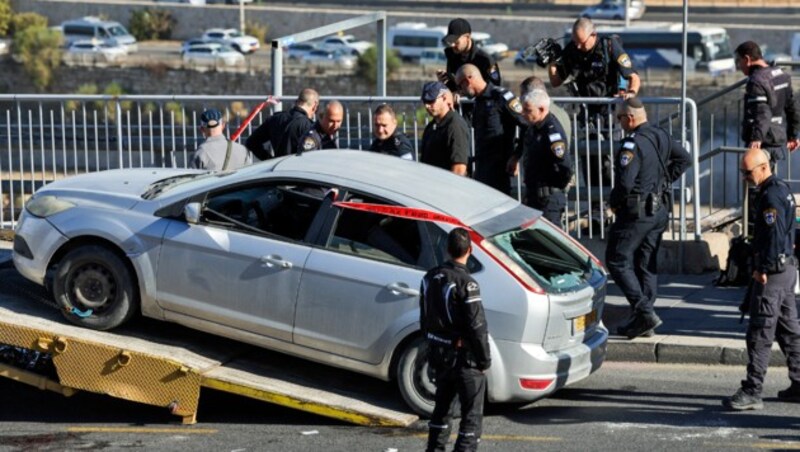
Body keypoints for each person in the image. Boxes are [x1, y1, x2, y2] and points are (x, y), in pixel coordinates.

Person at [722, 148, 800, 411]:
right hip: (786, 270)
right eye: (742, 172)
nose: (745, 177)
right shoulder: (781, 189)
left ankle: (752, 390)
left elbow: (774, 236)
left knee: (760, 332)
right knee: (789, 330)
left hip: (773, 273)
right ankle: (799, 382)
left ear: (764, 167)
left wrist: (763, 268)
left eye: (748, 172)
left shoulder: (770, 197)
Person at [606, 98, 691, 339]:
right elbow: (684, 158)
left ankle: (644, 312)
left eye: (619, 118)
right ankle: (643, 319)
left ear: (629, 118)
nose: (619, 123)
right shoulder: (659, 134)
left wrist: (613, 202)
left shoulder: (631, 144)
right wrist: (663, 183)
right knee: (645, 263)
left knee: (617, 260)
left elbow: (624, 183)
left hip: (638, 212)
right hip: (659, 209)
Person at [420, 227, 490, 452]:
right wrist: (484, 360)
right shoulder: (467, 283)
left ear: (446, 250)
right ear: (470, 250)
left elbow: (424, 318)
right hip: (464, 360)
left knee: (441, 409)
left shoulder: (429, 278)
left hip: (439, 356)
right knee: (471, 416)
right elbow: (477, 326)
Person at [548, 17, 640, 128]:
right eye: (575, 41)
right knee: (586, 144)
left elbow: (634, 76)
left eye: (582, 42)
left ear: (593, 35)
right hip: (585, 111)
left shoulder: (609, 46)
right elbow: (556, 82)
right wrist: (552, 62)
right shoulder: (572, 49)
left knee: (611, 144)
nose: (578, 46)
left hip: (610, 110)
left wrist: (631, 92)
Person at [506, 89, 572, 226]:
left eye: (528, 110)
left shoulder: (552, 132)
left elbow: (564, 168)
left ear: (541, 109)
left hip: (548, 201)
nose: (523, 114)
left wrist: (552, 189)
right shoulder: (533, 127)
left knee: (551, 243)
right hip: (533, 197)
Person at [455, 64, 524, 194]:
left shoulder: (501, 97)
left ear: (468, 80)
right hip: (483, 167)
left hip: (499, 169)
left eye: (460, 86)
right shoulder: (478, 102)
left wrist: (515, 156)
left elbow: (526, 125)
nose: (461, 91)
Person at [735, 41, 800, 169]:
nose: (738, 65)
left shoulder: (756, 82)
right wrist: (793, 135)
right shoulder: (781, 75)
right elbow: (793, 108)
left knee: (755, 183)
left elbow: (762, 113)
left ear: (747, 59)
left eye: (738, 61)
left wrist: (756, 139)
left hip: (763, 142)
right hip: (776, 139)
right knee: (768, 182)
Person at [245, 88, 318, 159]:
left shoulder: (274, 119)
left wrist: (269, 160)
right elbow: (311, 156)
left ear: (297, 101)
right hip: (297, 169)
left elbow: (251, 142)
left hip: (278, 169)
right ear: (314, 106)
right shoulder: (308, 126)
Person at [437, 18, 501, 94]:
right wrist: (444, 81)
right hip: (460, 104)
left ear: (467, 37)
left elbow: (495, 87)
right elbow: (453, 88)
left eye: (456, 42)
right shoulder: (452, 55)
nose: (453, 45)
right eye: (451, 42)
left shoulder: (485, 60)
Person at [420, 81, 469, 175]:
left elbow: (459, 168)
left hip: (447, 186)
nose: (427, 106)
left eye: (431, 101)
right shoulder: (430, 127)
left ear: (444, 98)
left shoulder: (455, 125)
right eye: (425, 101)